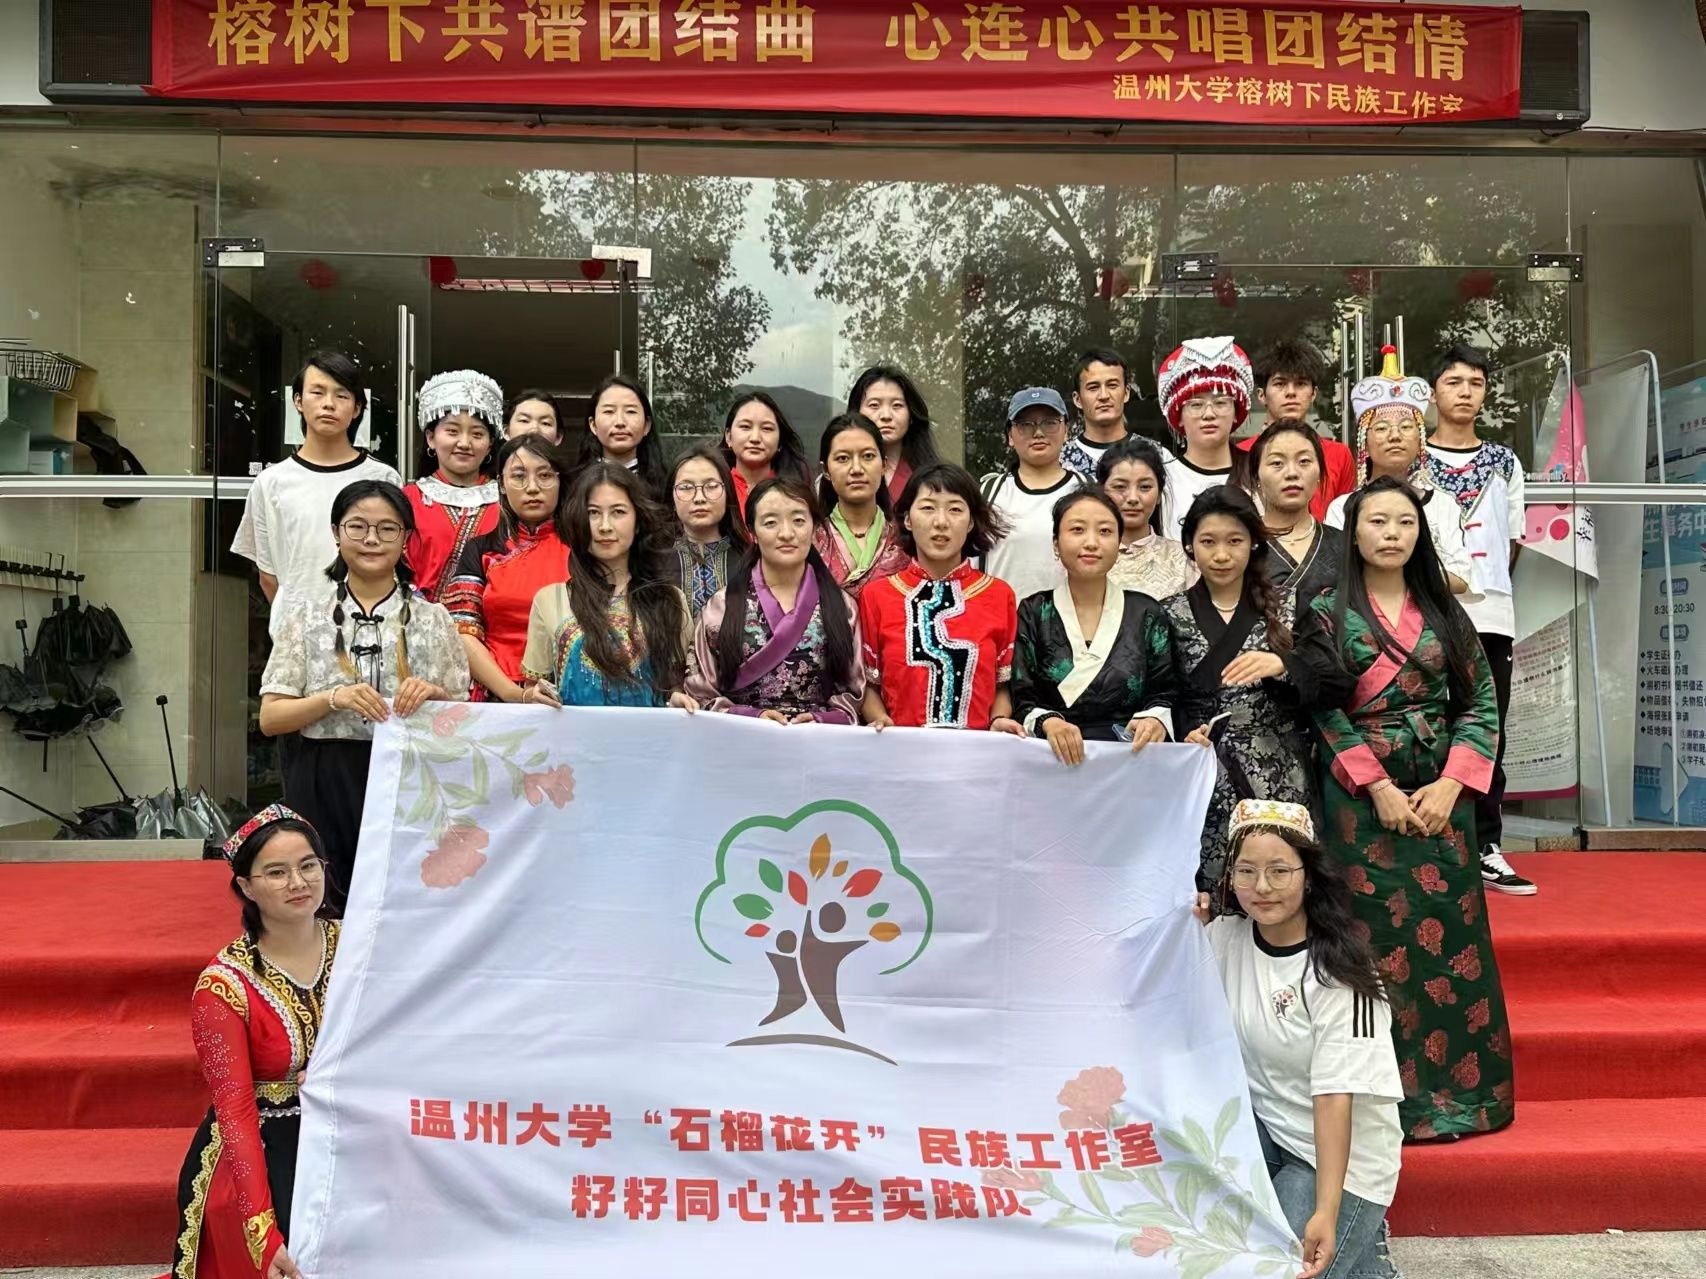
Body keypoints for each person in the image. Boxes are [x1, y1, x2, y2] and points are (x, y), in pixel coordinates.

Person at [1311, 477, 1514, 1142]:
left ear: (1420, 533)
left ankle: (1464, 1100)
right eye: (1377, 521)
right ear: (1352, 533)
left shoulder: (1446, 612)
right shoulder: (1324, 611)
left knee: (1452, 943)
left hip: (1440, 799)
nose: (1392, 533)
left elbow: (1480, 702)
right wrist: (1377, 786)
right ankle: (1381, 1107)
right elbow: (1323, 710)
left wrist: (1453, 785)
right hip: (1359, 803)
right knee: (1372, 945)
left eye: (1404, 522)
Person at [1195, 799, 1403, 1279]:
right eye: (1246, 871)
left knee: (1277, 1270)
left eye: (1279, 871)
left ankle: (1359, 1224)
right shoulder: (1223, 938)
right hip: (1267, 1135)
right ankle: (1364, 1256)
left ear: (1308, 876)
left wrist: (1326, 1212)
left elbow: (1333, 1098)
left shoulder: (1339, 973)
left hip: (1334, 1158)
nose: (1261, 887)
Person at [258, 481, 470, 908]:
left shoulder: (433, 619)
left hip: (410, 777)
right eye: (357, 526)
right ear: (336, 533)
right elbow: (271, 718)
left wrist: (434, 694)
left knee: (406, 898)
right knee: (328, 897)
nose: (372, 539)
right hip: (325, 775)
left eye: (387, 529)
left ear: (406, 539)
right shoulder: (306, 616)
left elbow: (463, 721)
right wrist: (332, 698)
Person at [171, 805, 340, 1279]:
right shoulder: (223, 986)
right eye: (277, 872)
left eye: (308, 865)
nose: (298, 882)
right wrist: (261, 1228)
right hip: (264, 1154)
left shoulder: (360, 948)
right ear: (246, 886)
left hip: (350, 1133)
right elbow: (236, 1111)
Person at [1160, 487, 1352, 889]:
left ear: (1254, 544)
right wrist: (1182, 734)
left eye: (1235, 541)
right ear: (1190, 546)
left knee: (1282, 887)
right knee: (1213, 890)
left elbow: (1337, 682)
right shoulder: (1169, 613)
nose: (1222, 555)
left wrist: (1283, 664)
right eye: (1208, 542)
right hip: (1204, 773)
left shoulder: (1288, 605)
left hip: (1280, 771)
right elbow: (1161, 695)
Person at [1425, 344, 1535, 896]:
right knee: (1428, 723)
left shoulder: (1505, 461)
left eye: (1475, 382)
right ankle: (1434, 839)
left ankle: (1487, 844)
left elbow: (1513, 540)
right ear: (1433, 392)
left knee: (1488, 726)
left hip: (1490, 613)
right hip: (1427, 613)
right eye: (1453, 382)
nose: (1465, 392)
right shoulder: (1414, 458)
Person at [1008, 488, 1177, 764]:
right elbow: (1021, 695)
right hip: (1051, 758)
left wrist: (1154, 719)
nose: (1091, 543)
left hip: (1130, 759)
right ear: (1056, 543)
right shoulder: (1034, 611)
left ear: (1119, 543)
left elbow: (1166, 691)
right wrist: (1049, 722)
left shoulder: (1146, 612)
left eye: (1105, 531)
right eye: (1077, 530)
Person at [231, 350, 400, 621]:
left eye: (341, 395)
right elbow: (267, 575)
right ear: (298, 401)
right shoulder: (271, 482)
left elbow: (393, 561)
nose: (329, 404)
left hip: (369, 630)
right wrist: (295, 626)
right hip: (296, 632)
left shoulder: (383, 478)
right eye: (317, 392)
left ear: (357, 408)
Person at [858, 462, 1020, 732]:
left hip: (978, 751)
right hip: (900, 749)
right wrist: (879, 719)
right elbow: (867, 685)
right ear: (907, 519)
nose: (941, 522)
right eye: (928, 508)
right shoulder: (876, 596)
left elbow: (1003, 685)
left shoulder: (999, 596)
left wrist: (999, 720)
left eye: (955, 509)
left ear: (971, 522)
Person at [687, 477, 864, 724]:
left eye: (798, 521)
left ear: (814, 528)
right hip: (743, 736)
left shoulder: (842, 607)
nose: (786, 533)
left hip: (817, 739)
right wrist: (751, 716)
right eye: (771, 522)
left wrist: (820, 720)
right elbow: (700, 693)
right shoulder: (721, 606)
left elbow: (854, 694)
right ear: (753, 532)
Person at [521, 462, 696, 709]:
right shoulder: (550, 599)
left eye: (618, 512)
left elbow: (675, 685)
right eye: (593, 513)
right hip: (573, 734)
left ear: (637, 521)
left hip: (650, 733)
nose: (604, 526)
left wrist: (676, 699)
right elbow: (533, 688)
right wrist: (533, 695)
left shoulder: (669, 599)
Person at [1323, 347, 1475, 598]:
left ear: (1420, 439)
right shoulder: (1342, 508)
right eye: (1382, 428)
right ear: (1364, 442)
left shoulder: (1443, 505)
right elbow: (1336, 576)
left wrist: (1388, 571)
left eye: (1406, 427)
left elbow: (1460, 579)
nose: (1395, 436)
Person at [442, 434, 573, 703]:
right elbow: (462, 632)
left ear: (561, 481)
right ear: (501, 484)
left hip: (572, 693)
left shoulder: (583, 550)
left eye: (545, 476)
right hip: (495, 694)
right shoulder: (481, 550)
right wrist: (515, 694)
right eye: (519, 476)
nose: (532, 488)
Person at [403, 369, 503, 603]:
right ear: (431, 438)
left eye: (477, 434)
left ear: (489, 445)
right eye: (452, 431)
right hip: (418, 619)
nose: (464, 443)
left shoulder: (508, 502)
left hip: (492, 623)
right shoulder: (406, 500)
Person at [979, 387, 1085, 601]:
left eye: (1050, 423)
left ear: (1066, 430)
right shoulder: (988, 493)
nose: (1038, 433)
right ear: (1010, 435)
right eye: (1025, 425)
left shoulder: (1086, 490)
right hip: (1002, 618)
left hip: (1070, 618)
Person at [1234, 340, 1358, 521]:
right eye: (1280, 383)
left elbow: (1343, 521)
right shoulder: (1240, 455)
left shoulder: (1339, 455)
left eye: (1300, 383)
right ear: (1261, 395)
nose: (1291, 392)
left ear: (1313, 393)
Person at [1156, 336, 1254, 542]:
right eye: (1196, 405)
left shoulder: (1258, 472)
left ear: (1236, 413)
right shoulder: (1162, 479)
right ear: (1178, 416)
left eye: (1220, 403)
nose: (1209, 414)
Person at [1247, 420, 1341, 616]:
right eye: (1277, 463)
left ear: (1319, 473)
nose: (1292, 473)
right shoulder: (1242, 544)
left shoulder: (1344, 546)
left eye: (1304, 461)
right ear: (1256, 477)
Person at [813, 412, 910, 598]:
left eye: (868, 456)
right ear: (825, 470)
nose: (856, 469)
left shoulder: (905, 541)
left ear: (883, 465)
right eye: (843, 458)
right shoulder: (811, 540)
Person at [1097, 437, 1198, 599]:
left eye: (1145, 487)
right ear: (1102, 491)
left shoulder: (1184, 559)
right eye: (1120, 487)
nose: (1132, 498)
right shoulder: (1087, 554)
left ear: (1159, 495)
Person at [669, 442, 745, 620]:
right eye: (686, 487)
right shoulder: (653, 565)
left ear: (728, 493)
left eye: (711, 486)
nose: (699, 498)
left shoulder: (749, 563)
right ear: (671, 497)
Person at [848, 364, 941, 503]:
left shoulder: (934, 479)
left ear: (911, 415)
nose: (886, 416)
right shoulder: (837, 473)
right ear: (856, 414)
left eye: (897, 405)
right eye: (874, 405)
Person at [572, 373, 670, 500]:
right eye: (609, 411)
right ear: (593, 425)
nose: (620, 422)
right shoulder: (573, 484)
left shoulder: (667, 486)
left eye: (631, 411)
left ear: (646, 425)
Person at [721, 391, 814, 516]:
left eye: (767, 428)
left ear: (780, 441)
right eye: (745, 427)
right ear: (728, 436)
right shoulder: (714, 489)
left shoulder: (798, 494)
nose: (755, 438)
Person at [1061, 347, 1136, 478]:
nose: (1104, 396)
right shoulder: (1061, 462)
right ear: (1077, 399)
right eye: (1093, 387)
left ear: (1126, 393)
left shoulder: (1158, 455)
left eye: (1112, 385)